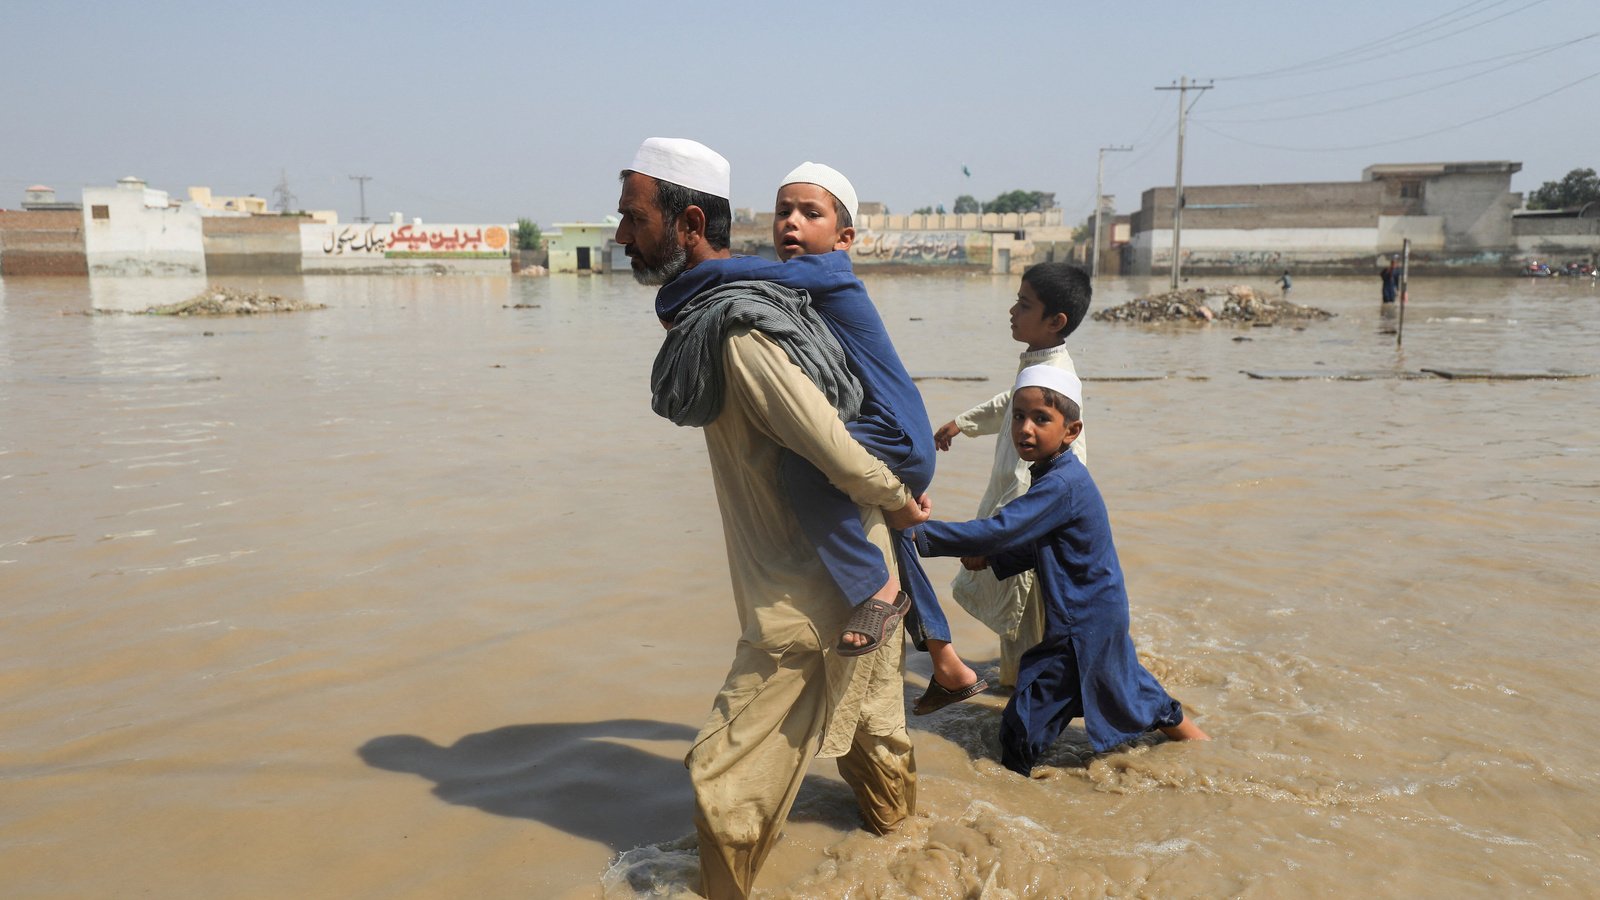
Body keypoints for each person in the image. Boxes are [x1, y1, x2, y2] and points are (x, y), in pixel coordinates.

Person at [617, 138, 922, 899]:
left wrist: (897, 496)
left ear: (687, 221)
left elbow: (832, 449)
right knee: (875, 747)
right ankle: (917, 867)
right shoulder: (721, 316)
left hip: (808, 602)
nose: (620, 234)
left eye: (631, 217)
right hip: (859, 571)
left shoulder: (739, 331)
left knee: (722, 787)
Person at [650, 162, 983, 715]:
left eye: (811, 213)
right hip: (902, 437)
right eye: (784, 212)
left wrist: (686, 287)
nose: (792, 224)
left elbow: (756, 278)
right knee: (897, 541)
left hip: (891, 431)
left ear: (844, 238)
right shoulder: (813, 287)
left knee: (803, 466)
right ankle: (949, 667)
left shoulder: (832, 273)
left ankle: (872, 591)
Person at [915, 365, 1210, 776]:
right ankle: (1205, 752)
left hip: (1080, 619)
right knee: (1133, 691)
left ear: (1071, 431)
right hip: (1099, 610)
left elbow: (1001, 529)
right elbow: (1042, 546)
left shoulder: (1060, 484)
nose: (1025, 429)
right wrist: (994, 560)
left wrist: (918, 533)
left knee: (1024, 718)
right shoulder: (1058, 476)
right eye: (1018, 416)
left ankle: (1013, 793)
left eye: (1041, 419)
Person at [932, 262, 1090, 689]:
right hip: (1021, 518)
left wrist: (996, 539)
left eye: (1024, 304)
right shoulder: (1040, 364)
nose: (1012, 311)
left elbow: (1033, 481)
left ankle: (1020, 698)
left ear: (1055, 321)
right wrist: (963, 423)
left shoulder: (1057, 378)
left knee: (1023, 618)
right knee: (1024, 619)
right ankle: (1025, 690)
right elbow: (1009, 400)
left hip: (1026, 519)